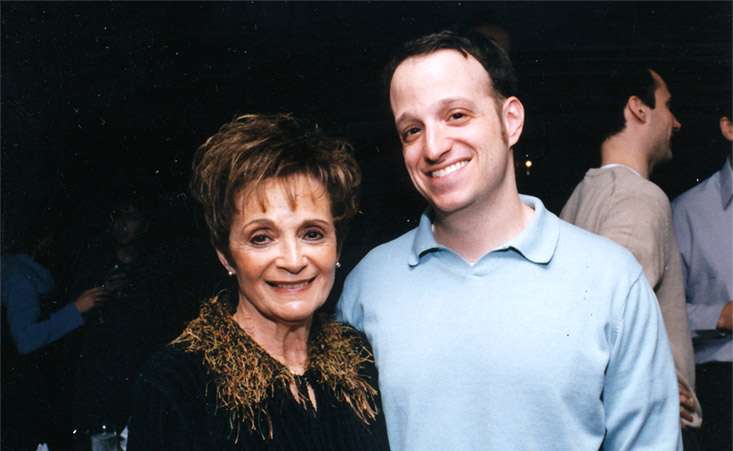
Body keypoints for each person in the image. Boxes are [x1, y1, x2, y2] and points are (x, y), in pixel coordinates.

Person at [337, 30, 681, 450]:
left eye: (456, 115)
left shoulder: (612, 279)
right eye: (411, 129)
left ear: (511, 120)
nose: (433, 146)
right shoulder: (367, 286)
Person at [128, 113, 390, 451]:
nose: (293, 261)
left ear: (337, 244)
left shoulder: (359, 360)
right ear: (225, 255)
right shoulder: (178, 383)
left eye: (312, 234)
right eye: (261, 238)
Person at [560, 66, 701, 439]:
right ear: (638, 108)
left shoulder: (579, 195)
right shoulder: (641, 198)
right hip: (642, 428)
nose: (676, 122)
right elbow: (604, 313)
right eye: (667, 106)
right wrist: (665, 383)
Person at [1, 218, 107, 450]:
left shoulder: (20, 270)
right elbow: (26, 340)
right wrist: (77, 309)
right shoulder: (21, 277)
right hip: (22, 393)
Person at [672, 107, 733, 451]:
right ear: (728, 127)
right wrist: (720, 316)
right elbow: (662, 311)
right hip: (720, 386)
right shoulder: (686, 212)